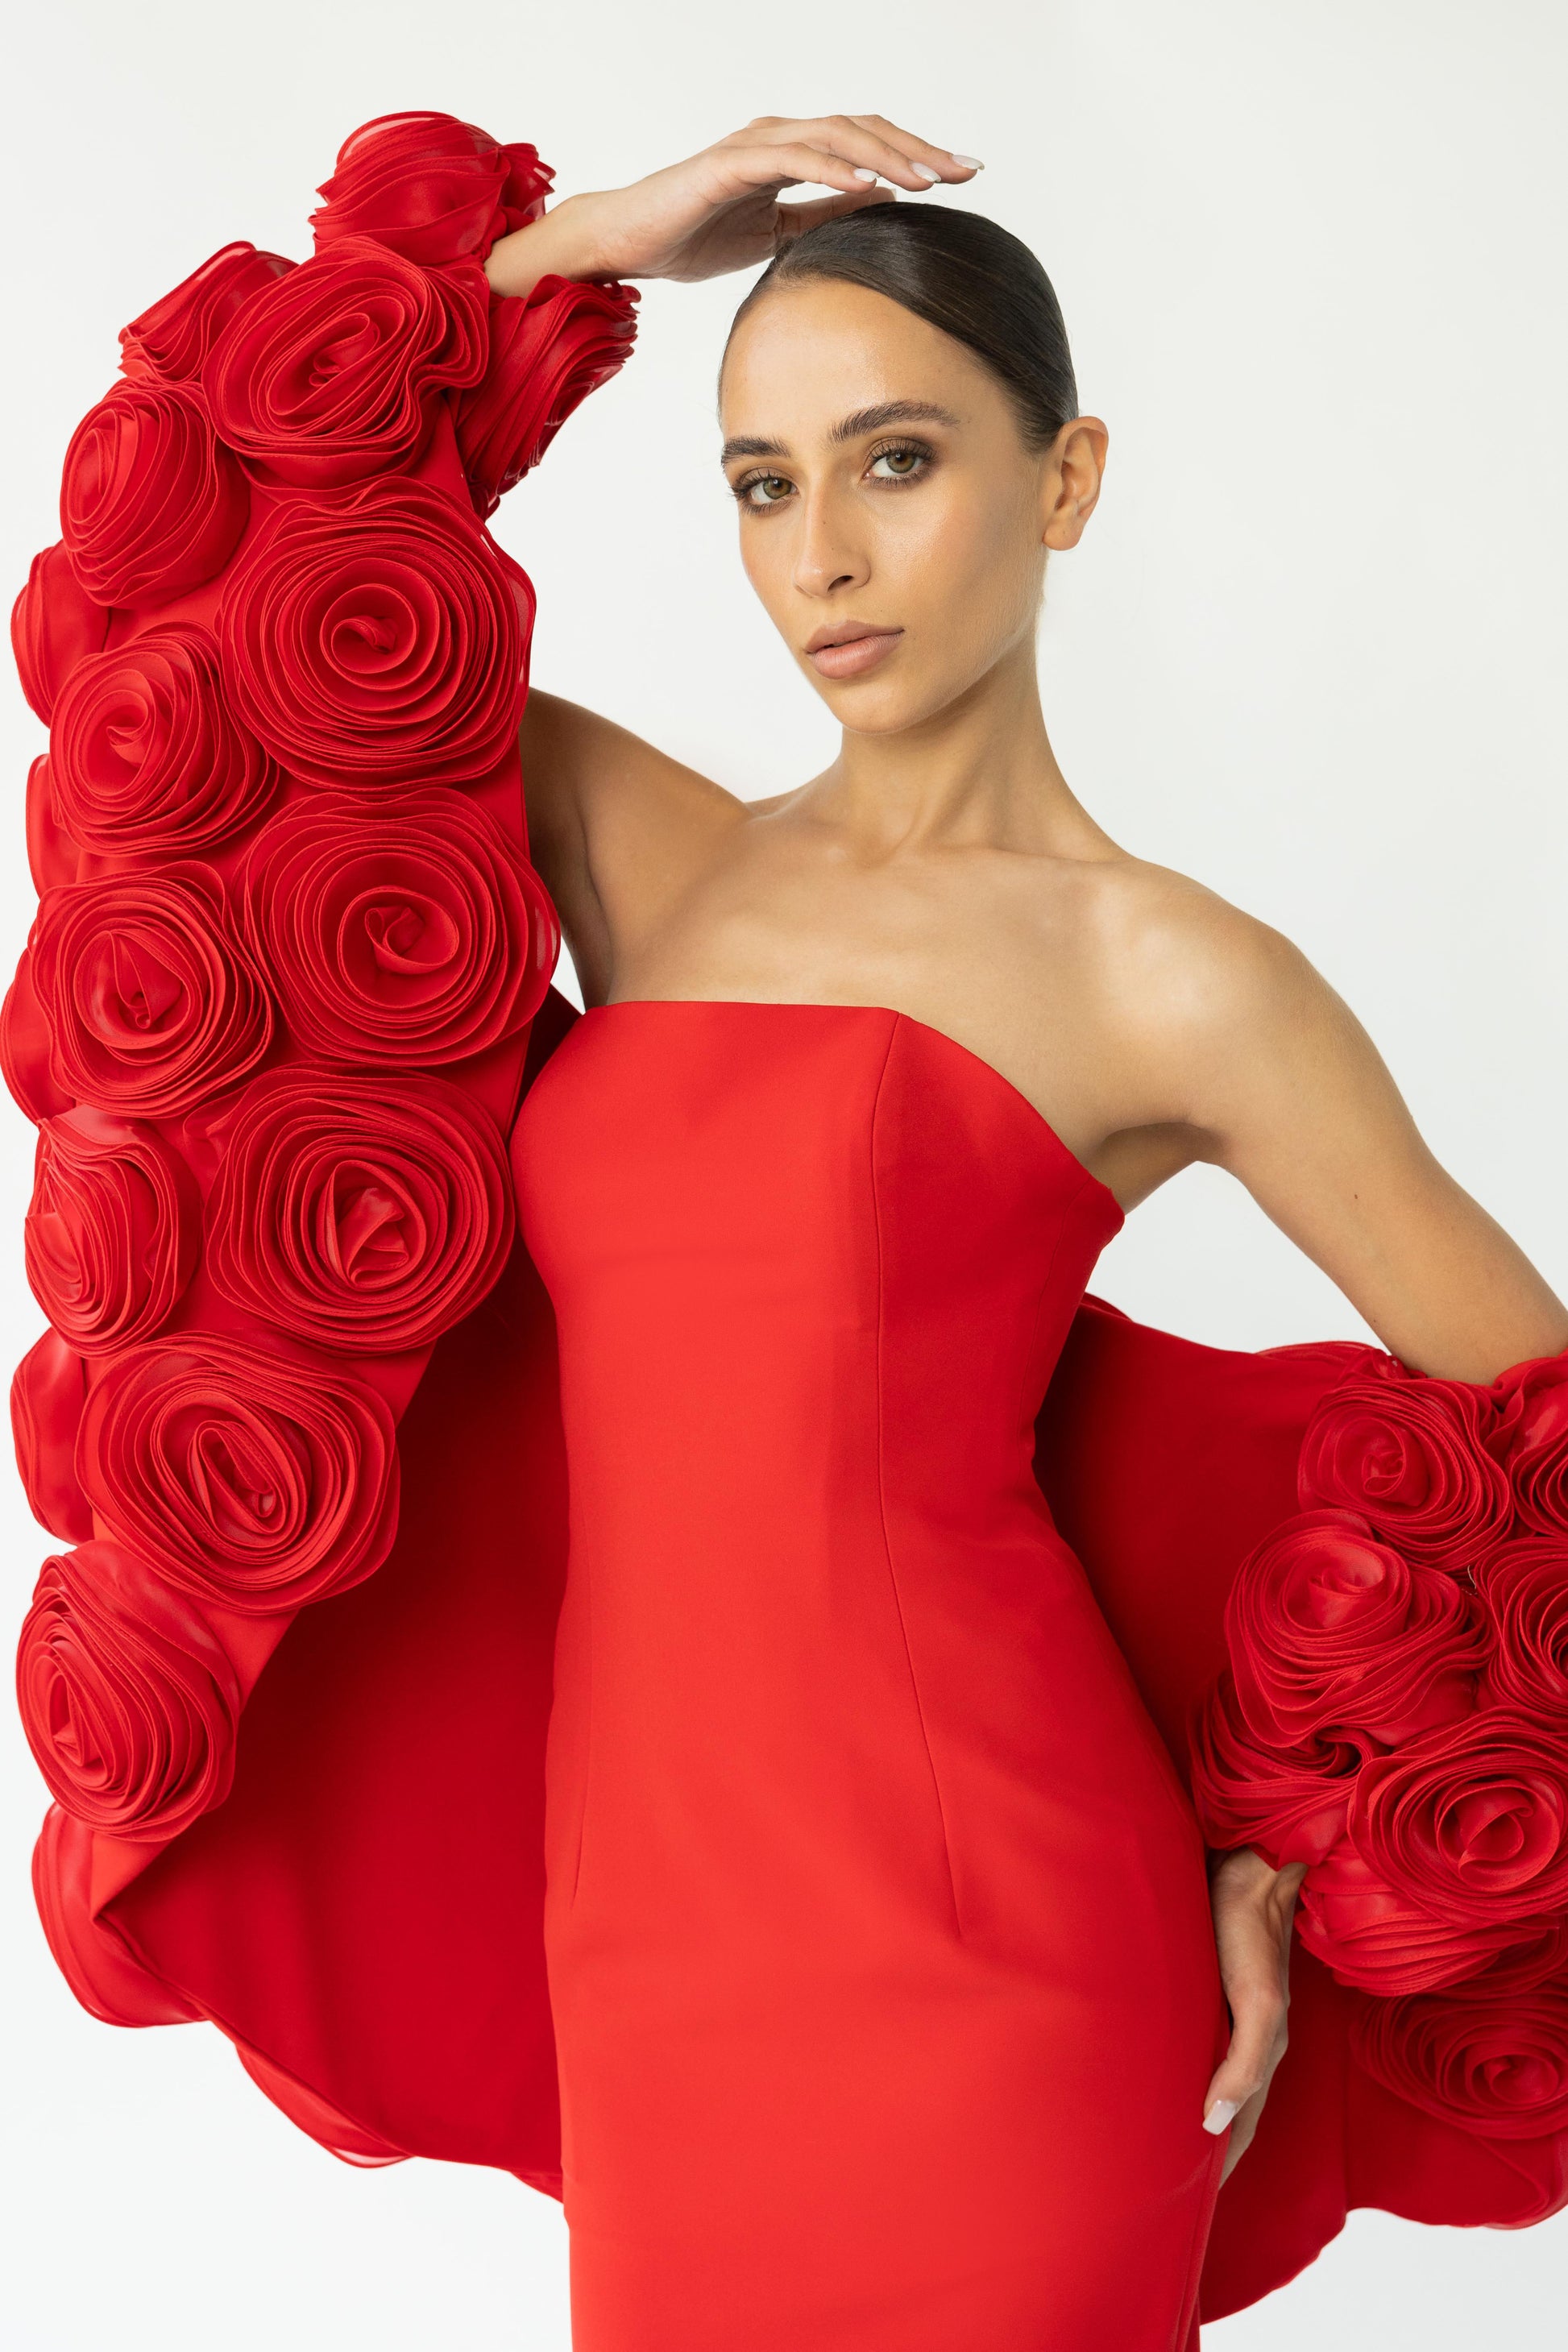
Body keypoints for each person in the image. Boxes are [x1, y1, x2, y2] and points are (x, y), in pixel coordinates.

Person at [10, 106, 1568, 2352]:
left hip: (1008, 1953)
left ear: (1067, 478)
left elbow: (1536, 1424)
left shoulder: (1170, 974)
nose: (823, 555)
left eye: (895, 462)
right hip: (644, 1940)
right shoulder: (647, 853)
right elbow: (184, 642)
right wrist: (586, 248)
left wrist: (1301, 1849)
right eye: (762, 483)